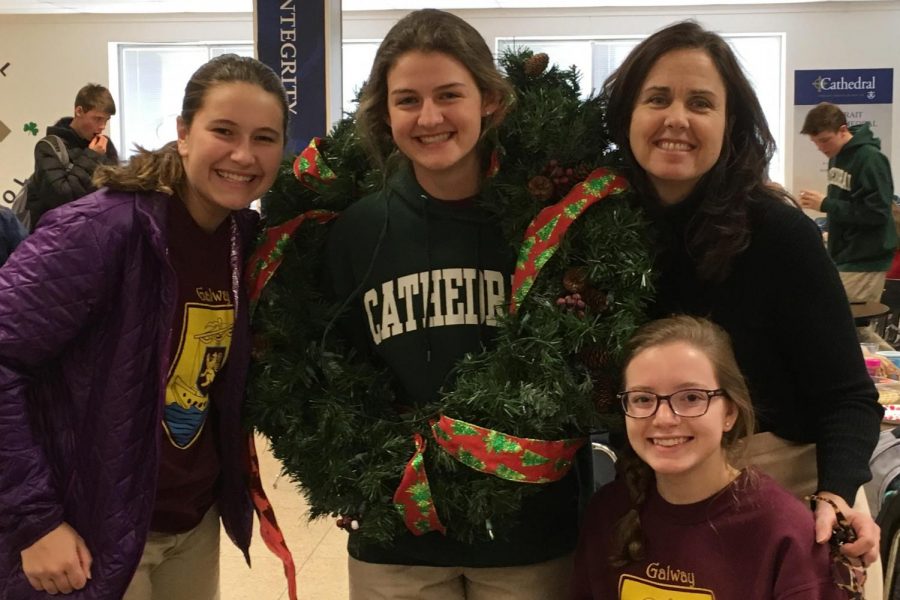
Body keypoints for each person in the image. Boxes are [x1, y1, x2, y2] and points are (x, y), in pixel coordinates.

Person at [601, 20, 884, 590]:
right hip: (651, 492)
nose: (677, 118)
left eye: (701, 102)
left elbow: (848, 396)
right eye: (657, 98)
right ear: (626, 116)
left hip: (776, 488)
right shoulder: (595, 232)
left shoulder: (778, 234)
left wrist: (836, 491)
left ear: (729, 125)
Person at [0, 54, 288, 599]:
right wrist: (32, 521)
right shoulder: (101, 228)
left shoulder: (241, 239)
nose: (243, 155)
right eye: (223, 131)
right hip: (88, 527)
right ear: (183, 132)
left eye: (265, 138)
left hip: (189, 520)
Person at [325, 9, 576, 599]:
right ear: (385, 113)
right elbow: (333, 373)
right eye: (407, 99)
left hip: (529, 533)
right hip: (396, 538)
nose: (430, 117)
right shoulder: (356, 231)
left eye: (449, 95)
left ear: (489, 99)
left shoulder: (547, 222)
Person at [572, 315, 847, 599]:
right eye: (643, 399)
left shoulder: (784, 532)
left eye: (691, 397)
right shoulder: (607, 513)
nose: (664, 418)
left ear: (729, 412)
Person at [799, 102, 896, 349]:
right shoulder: (837, 158)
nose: (821, 148)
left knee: (848, 325)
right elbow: (850, 204)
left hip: (866, 255)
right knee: (852, 328)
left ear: (843, 130)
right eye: (816, 143)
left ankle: (893, 370)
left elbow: (877, 213)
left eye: (825, 140)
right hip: (845, 254)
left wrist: (826, 204)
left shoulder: (871, 159)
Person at [27, 83, 120, 229]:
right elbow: (61, 198)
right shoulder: (49, 146)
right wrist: (92, 156)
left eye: (106, 120)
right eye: (97, 119)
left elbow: (114, 194)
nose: (102, 126)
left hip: (96, 235)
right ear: (79, 111)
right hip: (56, 239)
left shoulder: (105, 146)